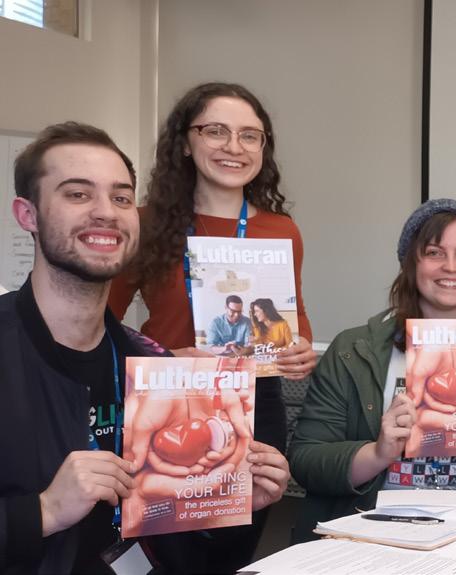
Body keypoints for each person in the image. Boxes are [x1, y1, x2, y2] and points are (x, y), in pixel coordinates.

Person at [0, 122, 289, 573]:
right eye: (77, 194)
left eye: (121, 198)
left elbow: (190, 552)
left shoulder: (154, 367)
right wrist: (43, 512)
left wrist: (230, 504)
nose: (105, 212)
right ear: (27, 215)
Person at [105, 81, 315, 566]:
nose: (233, 147)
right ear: (185, 141)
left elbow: (295, 319)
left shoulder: (281, 229)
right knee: (170, 558)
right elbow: (101, 326)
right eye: (216, 131)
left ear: (263, 147)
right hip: (164, 403)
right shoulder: (143, 224)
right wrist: (162, 359)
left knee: (233, 551)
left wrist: (300, 348)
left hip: (254, 403)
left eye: (249, 135)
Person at [288, 199, 456, 543]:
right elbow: (306, 459)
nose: (451, 267)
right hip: (373, 533)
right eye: (433, 252)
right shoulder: (352, 350)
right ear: (410, 263)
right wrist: (378, 453)